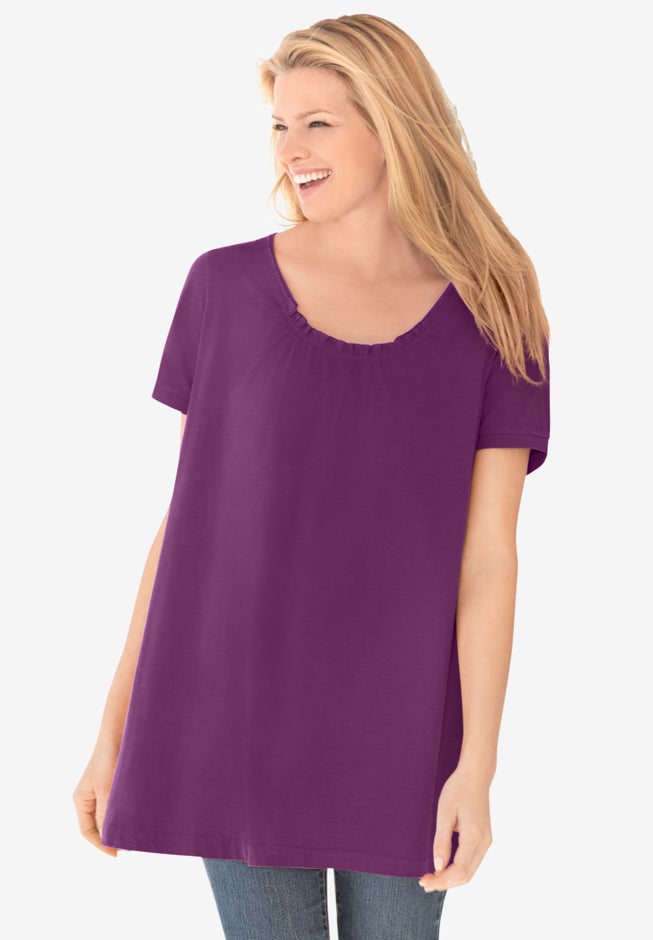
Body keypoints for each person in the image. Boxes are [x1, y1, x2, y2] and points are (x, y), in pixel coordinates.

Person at [72, 13, 551, 940]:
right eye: (279, 126)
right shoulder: (222, 288)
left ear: (393, 123)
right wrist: (112, 731)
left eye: (318, 123)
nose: (290, 149)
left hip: (405, 726)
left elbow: (489, 558)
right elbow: (188, 528)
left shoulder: (495, 307)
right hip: (237, 712)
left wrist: (476, 767)